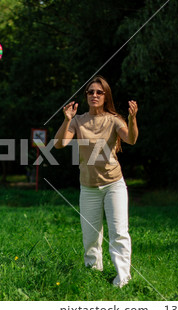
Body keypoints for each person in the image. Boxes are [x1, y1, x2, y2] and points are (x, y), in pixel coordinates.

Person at [54, 75, 138, 288]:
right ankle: (92, 274)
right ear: (86, 96)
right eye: (90, 92)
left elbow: (131, 139)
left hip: (113, 184)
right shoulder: (78, 121)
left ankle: (123, 278)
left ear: (105, 96)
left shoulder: (114, 119)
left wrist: (132, 118)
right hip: (89, 187)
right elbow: (59, 144)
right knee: (90, 236)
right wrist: (66, 120)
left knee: (118, 232)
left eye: (99, 92)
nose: (94, 95)